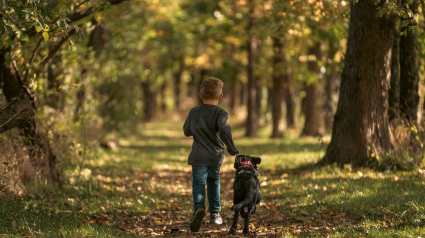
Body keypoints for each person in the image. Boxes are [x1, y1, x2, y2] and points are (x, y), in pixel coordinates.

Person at [183, 77, 239, 232]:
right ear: (220, 97)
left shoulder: (194, 112)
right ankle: (215, 213)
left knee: (198, 183)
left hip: (198, 156)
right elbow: (224, 130)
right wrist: (233, 149)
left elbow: (186, 131)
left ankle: (199, 209)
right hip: (215, 156)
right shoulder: (221, 113)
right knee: (214, 181)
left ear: (200, 95)